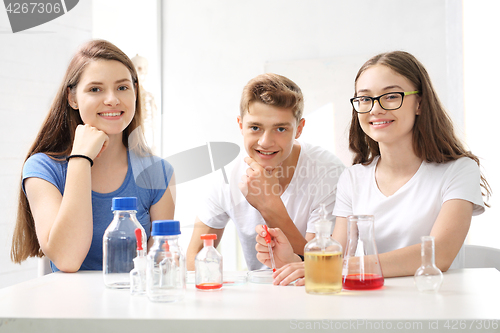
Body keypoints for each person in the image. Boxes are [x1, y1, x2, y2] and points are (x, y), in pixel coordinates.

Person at [256, 51, 490, 285]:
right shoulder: (353, 178)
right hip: (373, 305)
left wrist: (329, 265)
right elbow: (337, 256)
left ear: (420, 103)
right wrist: (292, 260)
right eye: (365, 99)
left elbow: (439, 255)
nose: (375, 109)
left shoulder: (459, 171)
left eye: (390, 96)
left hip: (437, 308)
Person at [10, 40, 175, 273]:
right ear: (72, 98)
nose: (112, 99)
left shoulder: (158, 173)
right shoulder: (42, 169)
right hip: (70, 307)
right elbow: (67, 259)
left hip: (135, 306)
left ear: (135, 92)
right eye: (95, 89)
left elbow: (161, 268)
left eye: (122, 87)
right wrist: (80, 158)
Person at [186, 73, 345, 271]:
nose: (265, 142)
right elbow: (194, 256)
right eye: (255, 127)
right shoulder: (226, 176)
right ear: (240, 125)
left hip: (314, 292)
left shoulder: (329, 173)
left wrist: (270, 204)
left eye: (280, 129)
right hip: (256, 291)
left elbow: (323, 263)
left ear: (299, 129)